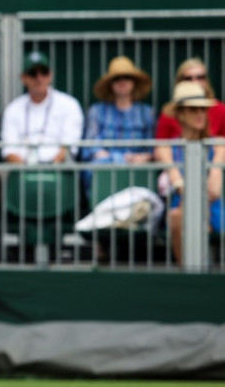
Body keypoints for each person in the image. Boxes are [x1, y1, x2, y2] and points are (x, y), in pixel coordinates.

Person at [156, 81, 224, 266]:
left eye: (203, 109)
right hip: (181, 207)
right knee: (177, 217)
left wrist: (215, 172)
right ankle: (188, 274)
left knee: (181, 216)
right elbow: (179, 185)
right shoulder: (167, 148)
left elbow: (214, 189)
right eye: (193, 109)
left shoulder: (218, 144)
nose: (200, 114)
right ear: (180, 114)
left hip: (215, 209)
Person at [0, 51, 84, 164]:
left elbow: (69, 147)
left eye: (44, 72)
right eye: (33, 74)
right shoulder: (13, 108)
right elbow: (9, 150)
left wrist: (49, 169)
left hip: (59, 169)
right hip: (21, 169)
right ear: (23, 78)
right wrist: (26, 171)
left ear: (50, 75)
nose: (39, 78)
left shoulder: (69, 104)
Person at [82, 56, 155, 165]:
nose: (122, 81)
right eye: (117, 78)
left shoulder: (147, 112)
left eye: (127, 77)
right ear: (110, 84)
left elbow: (152, 146)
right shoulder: (96, 111)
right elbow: (91, 146)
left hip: (138, 167)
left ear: (134, 82)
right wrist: (118, 159)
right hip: (105, 166)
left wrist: (142, 157)